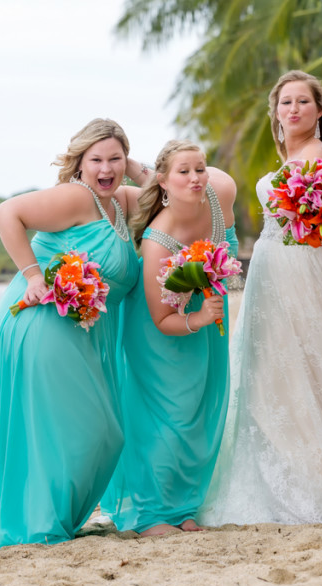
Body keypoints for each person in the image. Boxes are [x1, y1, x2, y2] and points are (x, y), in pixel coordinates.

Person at [198, 70, 322, 526]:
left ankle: (312, 478)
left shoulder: (318, 155)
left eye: (302, 102)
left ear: (319, 111)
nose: (293, 109)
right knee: (269, 366)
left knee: (292, 363)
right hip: (271, 266)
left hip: (296, 266)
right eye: (285, 103)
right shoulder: (292, 154)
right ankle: (277, 466)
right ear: (276, 113)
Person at [0, 118, 147, 547]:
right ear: (79, 164)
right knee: (88, 430)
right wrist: (32, 275)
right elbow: (6, 212)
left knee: (95, 433)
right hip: (40, 322)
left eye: (115, 159)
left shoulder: (119, 201)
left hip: (78, 332)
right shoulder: (75, 197)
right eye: (96, 159)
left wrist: (136, 168)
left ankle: (50, 520)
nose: (106, 168)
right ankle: (39, 525)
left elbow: (174, 195)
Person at [100, 139, 238, 537]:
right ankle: (152, 515)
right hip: (162, 330)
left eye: (200, 169)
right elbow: (161, 316)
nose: (196, 178)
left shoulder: (219, 194)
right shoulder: (157, 239)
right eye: (183, 172)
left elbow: (207, 183)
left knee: (198, 414)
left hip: (208, 319)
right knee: (168, 417)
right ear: (163, 181)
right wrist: (197, 317)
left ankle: (183, 507)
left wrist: (208, 312)